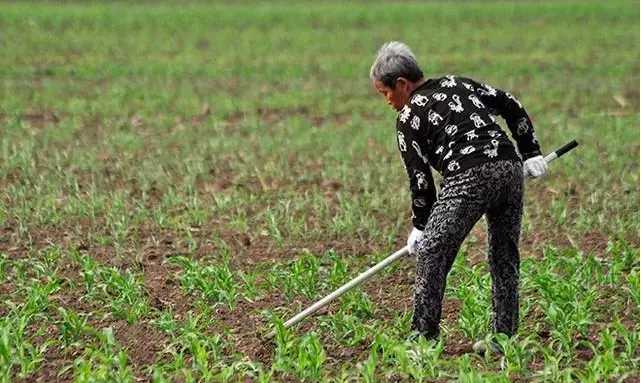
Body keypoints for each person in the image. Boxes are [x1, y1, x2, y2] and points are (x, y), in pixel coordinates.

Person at [369, 41, 547, 353]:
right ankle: (503, 338)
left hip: (469, 175)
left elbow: (420, 179)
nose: (387, 102)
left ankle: (423, 338)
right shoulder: (458, 83)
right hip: (508, 167)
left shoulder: (408, 116)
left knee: (431, 252)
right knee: (504, 255)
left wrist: (421, 226)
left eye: (385, 93)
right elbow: (511, 103)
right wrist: (530, 151)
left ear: (401, 84)